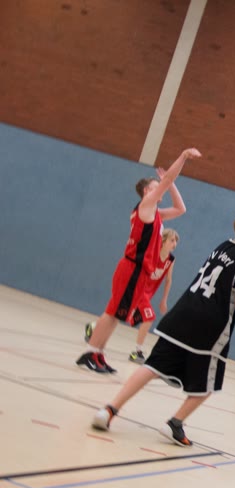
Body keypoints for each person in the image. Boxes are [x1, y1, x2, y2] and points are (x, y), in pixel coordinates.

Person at [90, 208, 235, 446]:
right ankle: (175, 423)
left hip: (182, 311)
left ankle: (109, 410)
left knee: (152, 366)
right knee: (209, 382)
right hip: (210, 323)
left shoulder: (222, 246)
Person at [77, 151, 201, 374]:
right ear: (146, 191)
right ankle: (89, 353)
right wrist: (182, 157)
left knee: (117, 315)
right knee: (111, 313)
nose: (161, 187)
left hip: (139, 271)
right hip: (132, 267)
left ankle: (98, 353)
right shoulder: (146, 205)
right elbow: (168, 179)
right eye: (156, 186)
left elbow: (181, 209)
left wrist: (169, 184)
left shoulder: (156, 214)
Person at [125, 228, 179, 364]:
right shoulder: (152, 254)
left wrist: (164, 299)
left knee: (122, 316)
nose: (175, 244)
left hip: (148, 294)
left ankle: (93, 329)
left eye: (176, 241)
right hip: (138, 290)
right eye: (172, 240)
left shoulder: (171, 260)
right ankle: (137, 351)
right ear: (163, 241)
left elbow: (168, 280)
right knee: (149, 317)